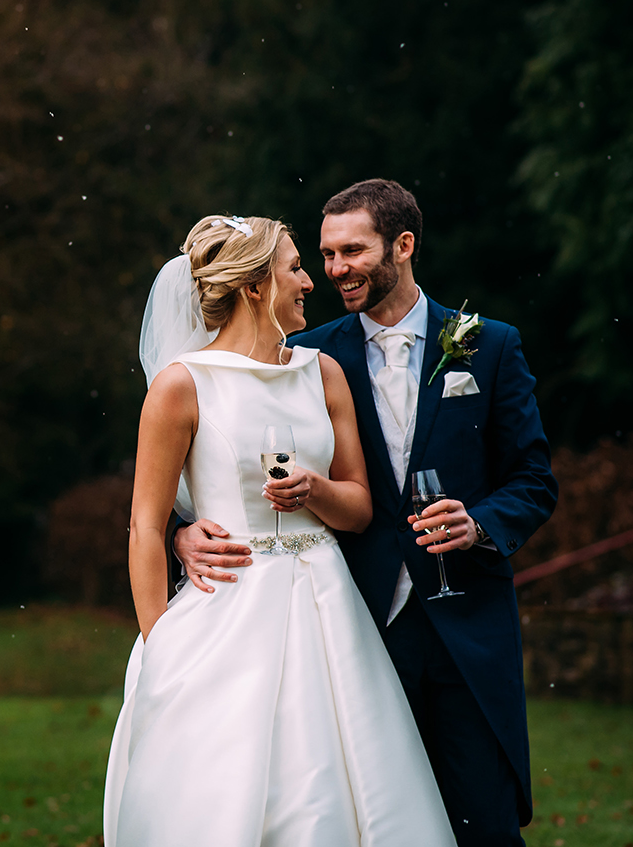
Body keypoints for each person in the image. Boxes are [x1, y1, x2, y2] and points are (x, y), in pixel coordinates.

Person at [174, 180, 558, 847]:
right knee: (374, 824)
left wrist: (481, 523)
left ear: (403, 245)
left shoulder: (487, 345)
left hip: (467, 621)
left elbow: (533, 478)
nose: (334, 269)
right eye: (324, 254)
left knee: (484, 822)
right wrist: (184, 534)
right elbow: (221, 436)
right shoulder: (304, 354)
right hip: (355, 626)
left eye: (352, 250)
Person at [104, 213, 456, 847]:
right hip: (228, 609)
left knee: (339, 780)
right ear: (255, 287)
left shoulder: (322, 373)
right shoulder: (181, 386)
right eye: (295, 267)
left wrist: (315, 492)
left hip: (328, 607)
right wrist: (160, 646)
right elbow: (145, 526)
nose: (308, 282)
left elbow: (360, 507)